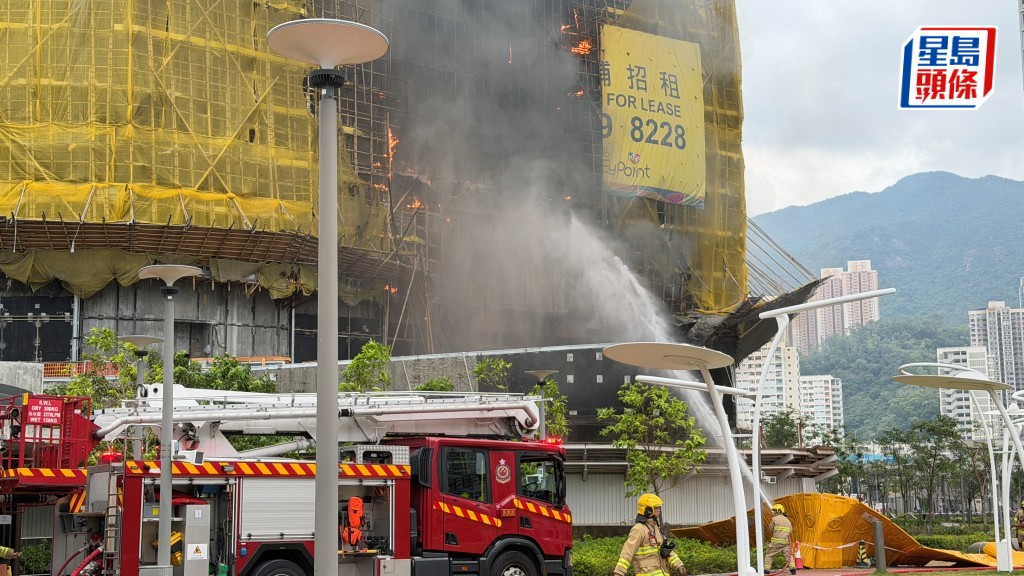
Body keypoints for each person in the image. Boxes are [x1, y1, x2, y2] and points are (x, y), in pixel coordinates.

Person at [614, 493, 686, 576]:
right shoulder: (638, 530)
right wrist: (619, 572)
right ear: (648, 510)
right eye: (657, 507)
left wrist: (679, 565)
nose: (659, 510)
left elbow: (665, 550)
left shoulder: (655, 528)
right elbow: (627, 552)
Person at [764, 503, 796, 575]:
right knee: (788, 555)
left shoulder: (774, 519)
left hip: (776, 542)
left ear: (779, 511)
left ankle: (766, 569)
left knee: (769, 554)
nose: (774, 512)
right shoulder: (788, 521)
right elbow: (790, 531)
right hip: (785, 542)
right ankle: (793, 569)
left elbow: (771, 529)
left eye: (775, 511)